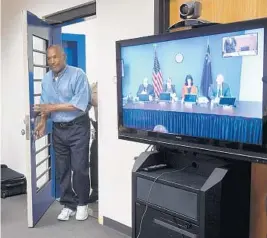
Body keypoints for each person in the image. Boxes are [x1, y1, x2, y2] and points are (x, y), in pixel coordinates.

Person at [34, 45, 91, 221]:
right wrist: (43, 121)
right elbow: (45, 105)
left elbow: (79, 104)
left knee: (80, 167)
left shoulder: (77, 74)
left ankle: (82, 204)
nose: (52, 61)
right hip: (58, 129)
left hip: (78, 127)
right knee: (62, 169)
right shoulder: (46, 80)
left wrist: (52, 107)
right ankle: (68, 204)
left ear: (63, 57)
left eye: (55, 57)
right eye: (49, 58)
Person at [89, 81, 98, 203]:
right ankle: (96, 191)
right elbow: (92, 102)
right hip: (98, 129)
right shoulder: (94, 85)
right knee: (94, 160)